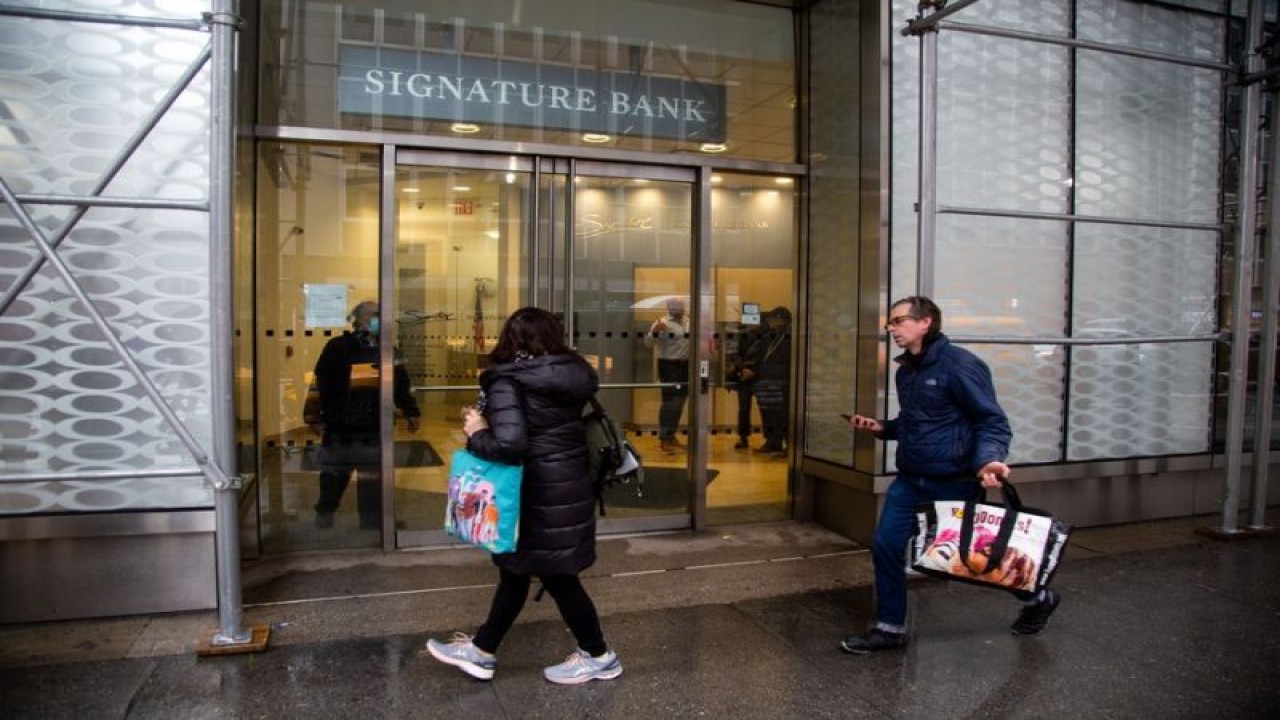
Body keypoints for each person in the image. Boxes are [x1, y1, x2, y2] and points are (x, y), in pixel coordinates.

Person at [840, 296, 1061, 654]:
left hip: (954, 480)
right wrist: (882, 427)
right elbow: (920, 423)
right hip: (911, 480)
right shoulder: (907, 370)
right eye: (890, 323)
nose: (891, 329)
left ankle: (1038, 597)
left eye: (898, 321)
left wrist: (989, 461)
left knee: (975, 559)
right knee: (886, 547)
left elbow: (991, 420)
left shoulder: (960, 365)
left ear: (925, 322)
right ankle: (890, 628)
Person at [425, 307, 622, 685]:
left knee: (554, 576)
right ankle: (482, 650)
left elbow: (510, 444)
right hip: (564, 484)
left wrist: (477, 429)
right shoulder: (570, 372)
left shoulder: (508, 380)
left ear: (510, 338)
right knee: (518, 571)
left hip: (534, 492)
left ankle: (598, 655)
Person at [310, 300, 420, 529]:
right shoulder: (338, 346)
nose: (380, 319)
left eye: (382, 314)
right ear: (359, 319)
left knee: (373, 476)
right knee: (334, 474)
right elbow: (321, 382)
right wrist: (317, 415)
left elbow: (401, 383)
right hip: (341, 423)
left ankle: (372, 523)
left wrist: (411, 411)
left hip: (376, 424)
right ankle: (325, 514)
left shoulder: (389, 348)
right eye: (374, 314)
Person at [741, 306, 791, 456]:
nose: (769, 322)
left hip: (780, 381)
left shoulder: (789, 335)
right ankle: (772, 442)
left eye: (771, 319)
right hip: (766, 380)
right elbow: (762, 356)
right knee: (769, 413)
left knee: (783, 414)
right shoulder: (771, 336)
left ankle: (789, 445)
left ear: (780, 319)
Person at [643, 297, 691, 454]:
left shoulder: (689, 321)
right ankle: (665, 439)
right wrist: (655, 333)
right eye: (675, 306)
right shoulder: (661, 322)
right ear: (669, 307)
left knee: (680, 402)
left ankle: (671, 437)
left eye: (681, 305)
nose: (679, 308)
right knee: (670, 402)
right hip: (669, 366)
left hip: (686, 366)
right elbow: (648, 344)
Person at [727, 321, 763, 449]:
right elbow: (734, 354)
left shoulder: (763, 335)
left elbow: (735, 354)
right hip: (752, 375)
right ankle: (744, 437)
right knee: (746, 409)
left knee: (748, 409)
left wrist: (743, 369)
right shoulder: (761, 335)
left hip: (751, 375)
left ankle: (745, 438)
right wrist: (745, 369)